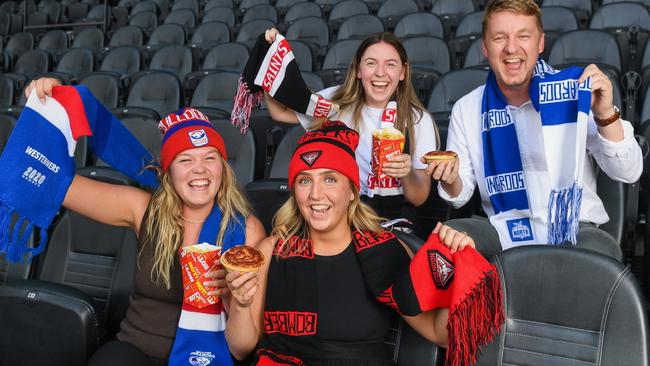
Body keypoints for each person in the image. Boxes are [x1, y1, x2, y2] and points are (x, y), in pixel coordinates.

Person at [22, 79, 266, 365]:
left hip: (205, 357)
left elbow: (241, 349)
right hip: (135, 352)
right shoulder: (143, 209)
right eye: (185, 160)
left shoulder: (247, 231)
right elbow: (55, 183)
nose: (199, 169)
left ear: (223, 168)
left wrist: (238, 301)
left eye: (210, 158)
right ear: (168, 171)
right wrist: (46, 110)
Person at [223, 122, 503, 366]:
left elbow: (440, 334)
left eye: (330, 179)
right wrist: (241, 303)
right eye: (305, 181)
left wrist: (454, 268)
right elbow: (240, 348)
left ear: (353, 192)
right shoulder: (271, 251)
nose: (315, 194)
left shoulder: (383, 250)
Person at [430, 0, 643, 260]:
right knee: (443, 244)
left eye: (523, 36)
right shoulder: (466, 108)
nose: (511, 48)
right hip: (501, 230)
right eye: (499, 37)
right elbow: (459, 197)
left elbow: (629, 172)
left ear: (540, 43)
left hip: (572, 229)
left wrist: (605, 114)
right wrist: (450, 178)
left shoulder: (572, 93)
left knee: (598, 256)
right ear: (485, 47)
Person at [262, 28, 440, 237]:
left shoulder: (418, 119)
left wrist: (406, 172)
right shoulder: (335, 102)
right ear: (358, 70)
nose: (380, 73)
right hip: (343, 212)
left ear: (402, 72)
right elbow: (280, 112)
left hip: (395, 216)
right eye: (371, 63)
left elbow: (418, 198)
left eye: (390, 64)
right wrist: (270, 61)